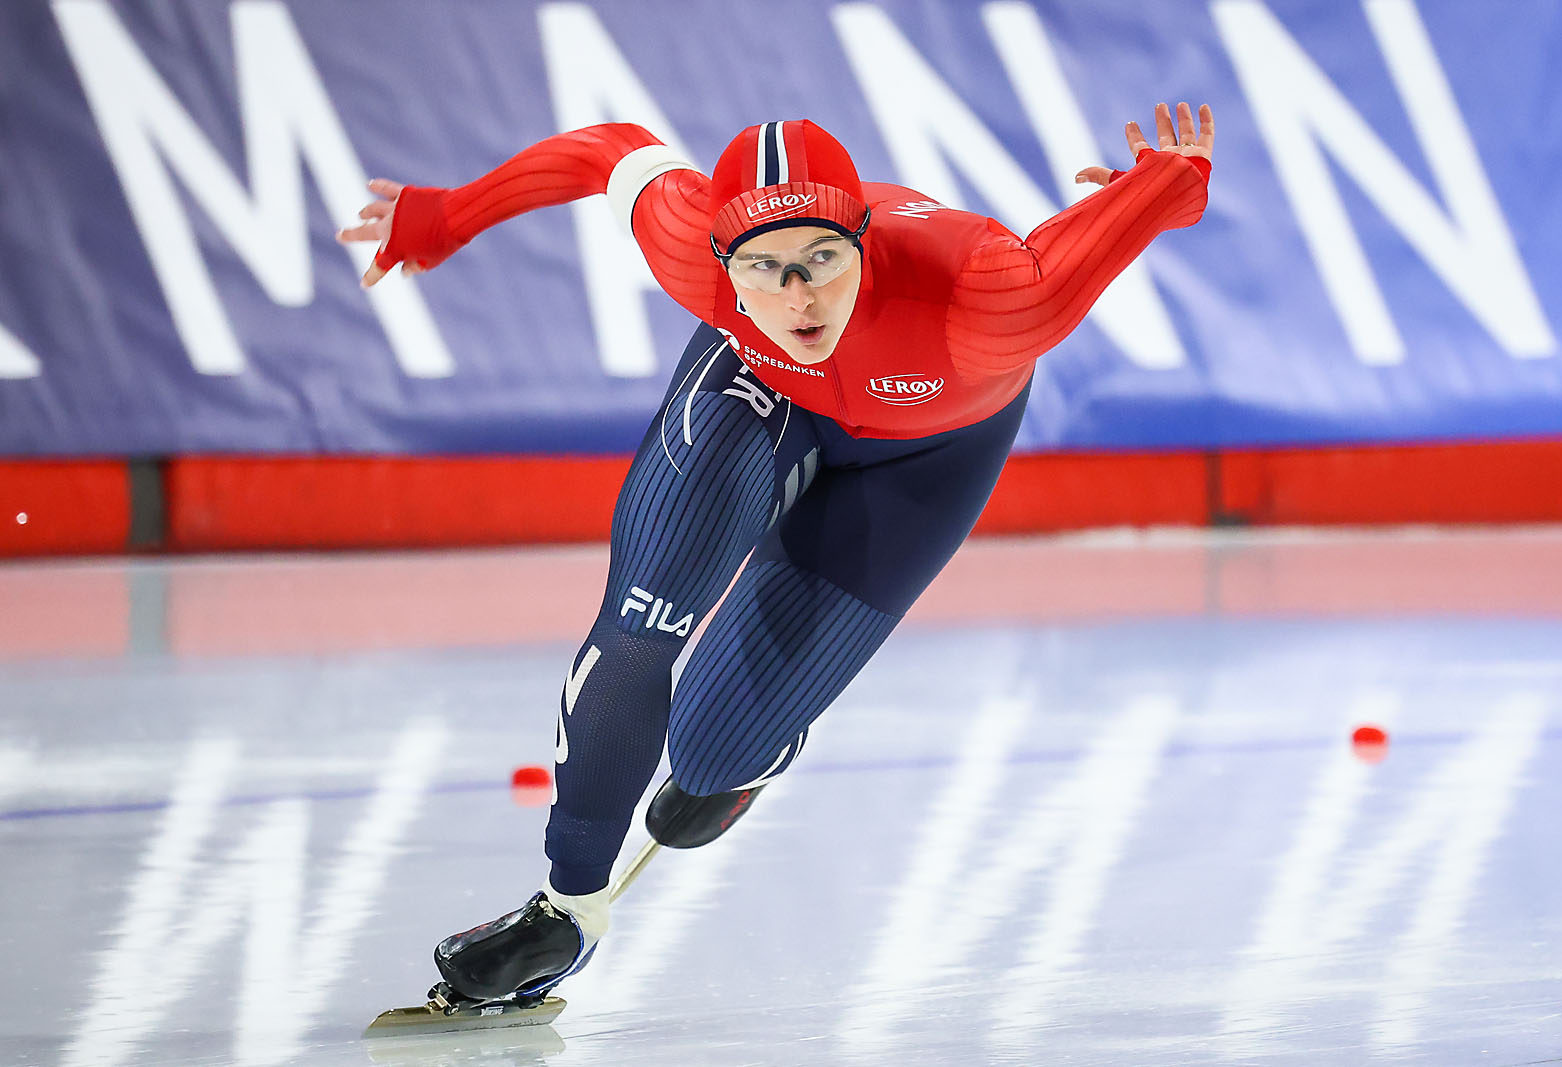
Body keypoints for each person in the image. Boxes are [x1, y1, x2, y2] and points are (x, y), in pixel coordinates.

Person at [339, 102, 1215, 1006]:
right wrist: (441, 218)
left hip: (928, 452)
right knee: (641, 624)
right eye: (764, 267)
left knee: (710, 755)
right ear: (721, 262)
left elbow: (1162, 197)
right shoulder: (686, 246)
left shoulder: (995, 297)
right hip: (758, 387)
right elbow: (602, 151)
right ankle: (565, 911)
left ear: (864, 239)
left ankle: (739, 763)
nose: (798, 298)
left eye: (823, 261)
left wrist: (1169, 183)